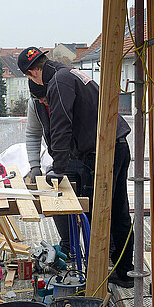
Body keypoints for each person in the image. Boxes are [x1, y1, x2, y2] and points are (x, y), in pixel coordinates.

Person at [18, 46, 134, 288]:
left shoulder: (59, 82)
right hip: (116, 144)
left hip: (104, 151)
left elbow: (62, 126)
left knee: (98, 213)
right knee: (118, 209)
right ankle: (124, 271)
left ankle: (97, 278)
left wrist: (57, 170)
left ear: (32, 73)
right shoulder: (69, 73)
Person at [24, 78, 90, 255]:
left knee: (91, 204)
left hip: (88, 155)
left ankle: (98, 252)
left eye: (44, 97)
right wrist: (35, 166)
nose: (41, 101)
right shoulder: (36, 103)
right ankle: (70, 248)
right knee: (60, 200)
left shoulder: (66, 95)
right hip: (62, 159)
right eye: (37, 98)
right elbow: (32, 134)